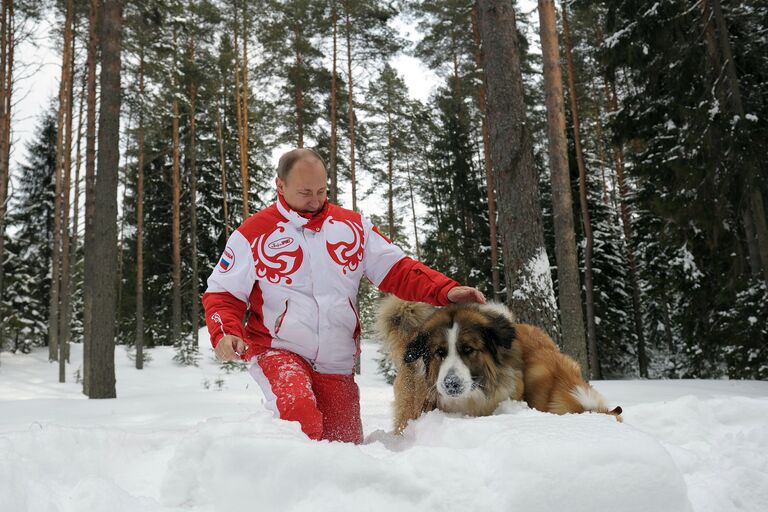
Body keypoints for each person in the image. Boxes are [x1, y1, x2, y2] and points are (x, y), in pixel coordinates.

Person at [202, 148, 485, 444]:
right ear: (280, 186)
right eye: (305, 192)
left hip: (335, 360)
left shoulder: (352, 227)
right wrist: (224, 332)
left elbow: (398, 269)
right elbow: (223, 293)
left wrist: (445, 290)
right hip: (278, 349)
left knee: (344, 446)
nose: (315, 200)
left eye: (322, 191)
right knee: (300, 419)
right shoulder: (253, 234)